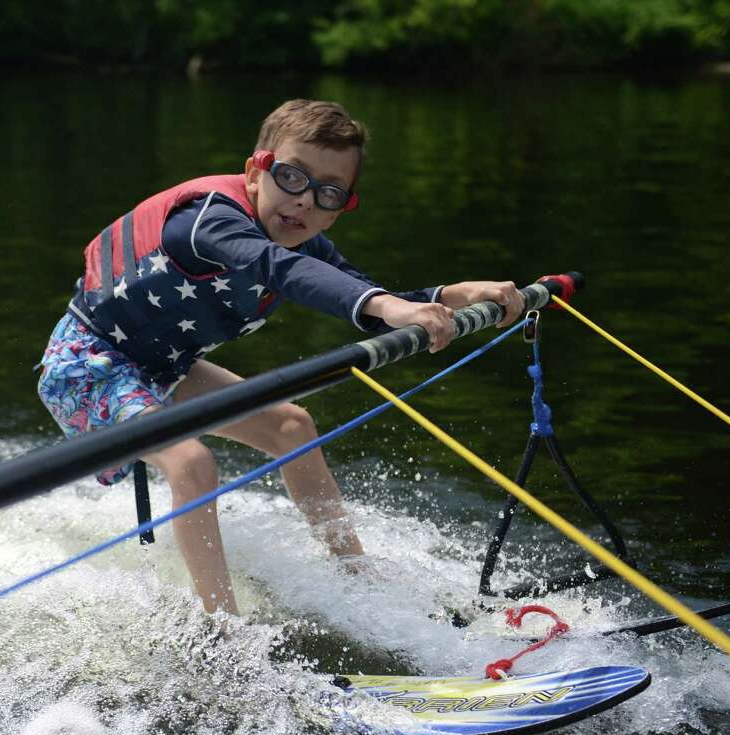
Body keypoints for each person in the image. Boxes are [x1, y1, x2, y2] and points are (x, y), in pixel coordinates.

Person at [37, 99, 524, 615]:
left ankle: (357, 575)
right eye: (291, 177)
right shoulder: (207, 222)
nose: (304, 203)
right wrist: (390, 305)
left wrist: (453, 294)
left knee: (292, 425)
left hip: (166, 367)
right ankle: (220, 631)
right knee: (193, 461)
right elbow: (279, 269)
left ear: (341, 207)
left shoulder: (305, 246)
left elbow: (367, 295)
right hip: (87, 365)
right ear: (255, 172)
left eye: (328, 193)